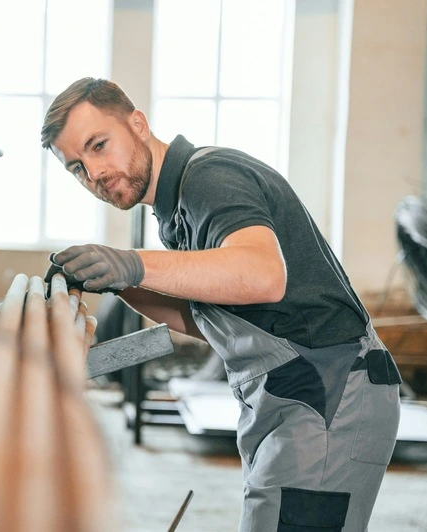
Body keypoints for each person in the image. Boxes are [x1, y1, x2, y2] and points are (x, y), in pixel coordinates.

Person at [41, 77, 401, 532]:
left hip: (329, 393)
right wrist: (115, 282)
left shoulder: (208, 178)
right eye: (76, 167)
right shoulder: (176, 214)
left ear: (138, 122)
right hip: (290, 396)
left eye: (98, 145)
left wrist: (131, 264)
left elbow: (262, 276)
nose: (93, 174)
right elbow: (201, 320)